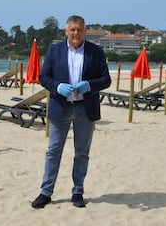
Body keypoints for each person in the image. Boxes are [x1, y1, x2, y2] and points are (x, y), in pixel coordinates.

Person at [31, 15, 111, 209]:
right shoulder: (54, 50)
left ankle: (77, 191)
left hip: (85, 107)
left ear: (85, 31)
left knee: (82, 152)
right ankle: (46, 192)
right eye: (72, 29)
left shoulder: (96, 51)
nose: (76, 33)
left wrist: (89, 85)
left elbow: (106, 80)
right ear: (66, 31)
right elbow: (43, 77)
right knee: (53, 151)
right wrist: (57, 87)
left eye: (80, 30)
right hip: (61, 106)